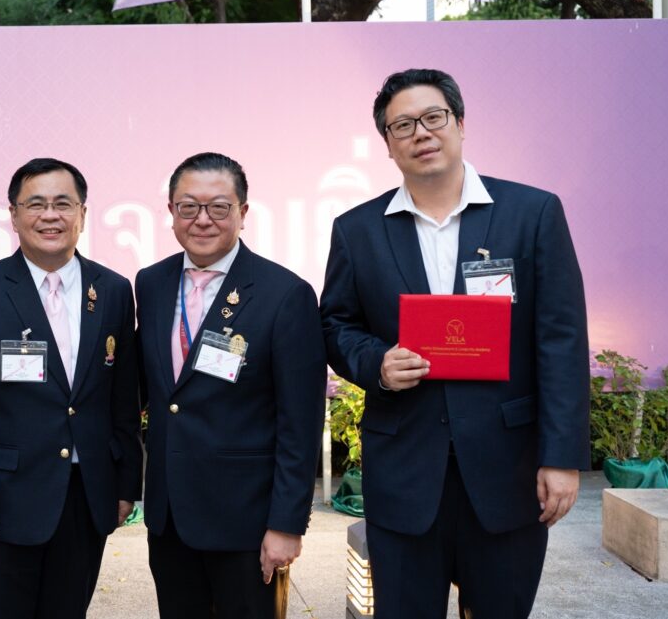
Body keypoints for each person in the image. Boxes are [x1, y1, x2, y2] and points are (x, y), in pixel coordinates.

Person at [320, 69, 590, 618]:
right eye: (402, 125)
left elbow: (560, 341)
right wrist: (376, 362)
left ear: (461, 124)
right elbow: (334, 325)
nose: (421, 133)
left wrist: (561, 457)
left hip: (507, 468)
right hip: (404, 468)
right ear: (388, 145)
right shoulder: (358, 229)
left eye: (433, 118)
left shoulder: (533, 214)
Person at [0, 158, 142, 619]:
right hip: (3, 503)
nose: (51, 216)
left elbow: (122, 400)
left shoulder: (111, 289)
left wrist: (125, 484)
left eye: (63, 204)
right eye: (36, 204)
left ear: (82, 214)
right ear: (13, 215)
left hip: (85, 498)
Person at [135, 152, 327, 618]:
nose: (203, 220)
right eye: (188, 207)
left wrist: (286, 525)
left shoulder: (285, 294)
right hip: (170, 519)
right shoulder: (153, 282)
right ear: (170, 212)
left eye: (218, 207)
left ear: (243, 213)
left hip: (246, 522)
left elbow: (300, 425)